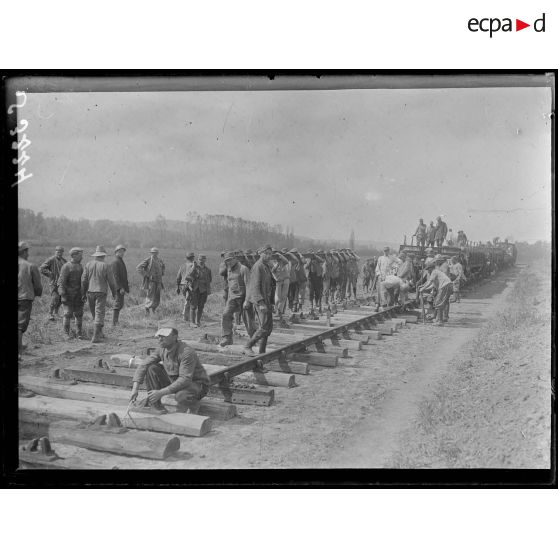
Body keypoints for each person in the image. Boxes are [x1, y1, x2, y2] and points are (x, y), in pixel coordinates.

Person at [130, 327, 210, 414]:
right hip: (175, 379)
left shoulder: (186, 352)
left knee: (181, 397)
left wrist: (161, 392)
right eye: (159, 336)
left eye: (164, 336)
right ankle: (155, 405)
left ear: (175, 337)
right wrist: (135, 389)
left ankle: (193, 406)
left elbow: (185, 379)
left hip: (195, 383)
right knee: (152, 368)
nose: (160, 339)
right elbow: (144, 364)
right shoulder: (162, 348)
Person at [81, 245, 117, 343]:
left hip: (90, 292)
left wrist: (83, 293)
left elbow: (83, 280)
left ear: (95, 255)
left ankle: (100, 333)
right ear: (103, 255)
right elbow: (112, 282)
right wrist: (114, 293)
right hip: (101, 292)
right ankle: (95, 336)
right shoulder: (106, 266)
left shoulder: (88, 265)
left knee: (95, 314)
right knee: (99, 313)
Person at [243, 245, 274, 355]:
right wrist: (260, 303)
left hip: (267, 301)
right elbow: (254, 286)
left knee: (268, 329)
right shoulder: (258, 267)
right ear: (261, 253)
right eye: (267, 253)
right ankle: (248, 346)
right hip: (261, 302)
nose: (269, 256)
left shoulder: (265, 266)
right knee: (264, 327)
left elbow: (270, 285)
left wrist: (271, 302)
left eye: (270, 254)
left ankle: (262, 353)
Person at [219, 251, 255, 346]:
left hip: (243, 298)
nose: (229, 262)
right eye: (227, 261)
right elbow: (230, 284)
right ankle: (227, 338)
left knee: (248, 321)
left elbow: (249, 285)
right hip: (232, 298)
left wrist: (247, 300)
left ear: (235, 259)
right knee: (225, 315)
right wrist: (228, 298)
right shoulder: (228, 269)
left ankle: (253, 339)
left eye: (230, 260)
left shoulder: (244, 269)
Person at [18, 241, 43, 358]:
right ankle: (19, 351)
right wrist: (37, 293)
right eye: (27, 251)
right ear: (24, 252)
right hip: (24, 297)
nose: (28, 254)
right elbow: (38, 286)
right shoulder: (30, 266)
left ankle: (20, 345)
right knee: (21, 325)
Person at [57, 247, 85, 338]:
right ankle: (66, 334)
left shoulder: (80, 266)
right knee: (67, 314)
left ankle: (79, 333)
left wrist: (83, 293)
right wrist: (62, 294)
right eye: (80, 255)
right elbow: (61, 282)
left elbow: (83, 281)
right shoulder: (66, 266)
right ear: (74, 255)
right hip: (68, 295)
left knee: (79, 314)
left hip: (78, 295)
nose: (82, 257)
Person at [419, 255, 453, 325]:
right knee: (439, 302)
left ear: (431, 268)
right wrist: (424, 288)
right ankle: (438, 319)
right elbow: (432, 285)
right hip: (447, 285)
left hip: (444, 286)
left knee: (439, 303)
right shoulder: (436, 272)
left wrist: (423, 288)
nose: (428, 271)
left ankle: (440, 321)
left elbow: (429, 282)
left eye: (428, 269)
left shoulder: (434, 271)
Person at [39, 245, 67, 321]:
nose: (59, 253)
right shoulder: (51, 259)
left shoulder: (64, 261)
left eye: (61, 252)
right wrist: (50, 274)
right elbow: (42, 268)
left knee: (61, 299)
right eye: (58, 251)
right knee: (55, 298)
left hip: (62, 284)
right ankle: (50, 314)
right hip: (54, 283)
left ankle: (56, 313)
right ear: (55, 251)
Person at [137, 247, 165, 315]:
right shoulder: (148, 260)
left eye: (155, 253)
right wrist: (147, 275)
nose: (154, 254)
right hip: (151, 282)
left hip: (158, 281)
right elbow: (139, 268)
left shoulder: (160, 260)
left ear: (157, 253)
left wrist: (162, 273)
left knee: (157, 297)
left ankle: (153, 310)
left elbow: (163, 267)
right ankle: (147, 310)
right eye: (153, 253)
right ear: (151, 253)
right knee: (150, 296)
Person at [176, 251, 199, 326]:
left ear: (186, 258)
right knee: (189, 301)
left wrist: (177, 287)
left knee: (187, 300)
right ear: (192, 258)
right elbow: (197, 276)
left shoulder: (182, 266)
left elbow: (178, 277)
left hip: (182, 286)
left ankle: (186, 317)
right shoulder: (194, 266)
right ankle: (185, 317)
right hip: (190, 286)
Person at [270, 250, 291, 327]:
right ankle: (276, 309)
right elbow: (272, 272)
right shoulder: (273, 263)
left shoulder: (283, 262)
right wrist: (276, 278)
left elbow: (286, 261)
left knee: (283, 297)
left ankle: (279, 311)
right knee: (278, 297)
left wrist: (280, 255)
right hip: (279, 281)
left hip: (286, 279)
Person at [109, 245, 129, 326]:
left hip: (121, 287)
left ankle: (115, 322)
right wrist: (120, 288)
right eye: (120, 251)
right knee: (118, 304)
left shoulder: (120, 261)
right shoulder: (115, 262)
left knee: (120, 304)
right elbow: (115, 277)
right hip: (118, 287)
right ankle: (114, 323)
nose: (122, 253)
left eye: (123, 251)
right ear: (116, 252)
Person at [191, 254, 212, 327]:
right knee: (193, 306)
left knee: (201, 306)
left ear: (205, 260)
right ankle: (192, 323)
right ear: (198, 260)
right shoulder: (194, 268)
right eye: (200, 259)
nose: (201, 261)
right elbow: (189, 276)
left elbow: (209, 280)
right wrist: (193, 267)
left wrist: (208, 290)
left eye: (203, 259)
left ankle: (198, 322)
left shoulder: (208, 270)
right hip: (195, 289)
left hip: (204, 290)